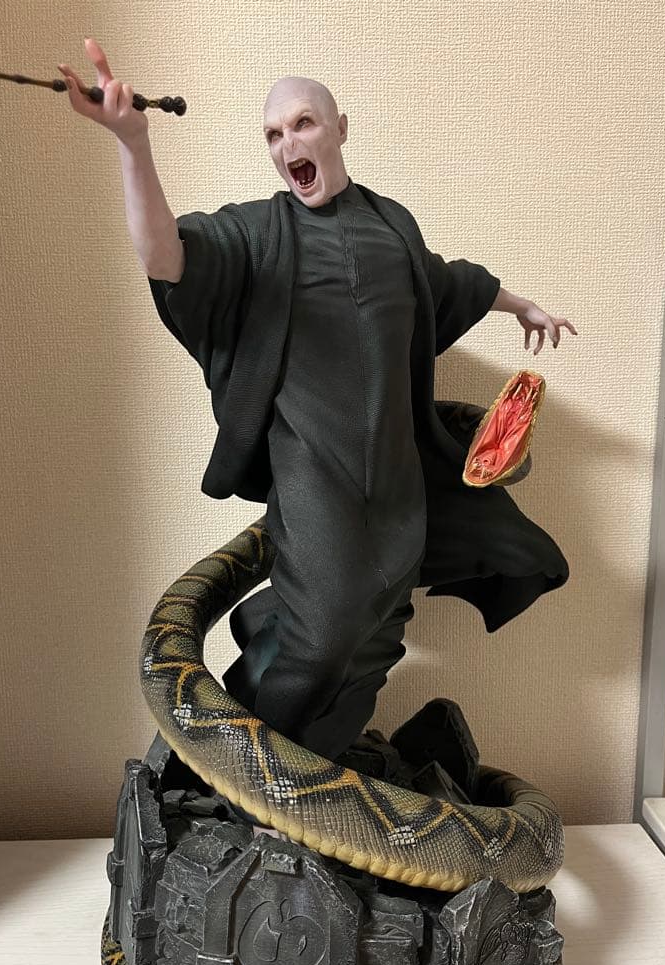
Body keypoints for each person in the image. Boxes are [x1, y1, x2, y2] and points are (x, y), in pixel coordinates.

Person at [59, 40, 577, 835]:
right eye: (272, 134)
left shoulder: (392, 226)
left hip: (400, 479)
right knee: (321, 637)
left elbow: (448, 279)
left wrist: (522, 306)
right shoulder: (258, 236)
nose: (287, 144)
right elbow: (168, 258)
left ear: (339, 128)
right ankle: (239, 790)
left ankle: (307, 803)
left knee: (375, 640)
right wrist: (133, 144)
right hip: (315, 472)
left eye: (301, 124)